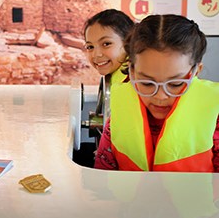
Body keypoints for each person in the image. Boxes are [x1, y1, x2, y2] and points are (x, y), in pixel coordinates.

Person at [94, 14, 219, 172]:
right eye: (147, 83)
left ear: (195, 72)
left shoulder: (214, 118)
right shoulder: (119, 116)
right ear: (131, 71)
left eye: (175, 84)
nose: (160, 96)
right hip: (128, 198)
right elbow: (101, 175)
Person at [75, 9, 134, 167]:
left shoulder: (132, 81)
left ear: (128, 44)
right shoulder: (116, 77)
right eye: (90, 47)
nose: (96, 55)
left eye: (106, 44)